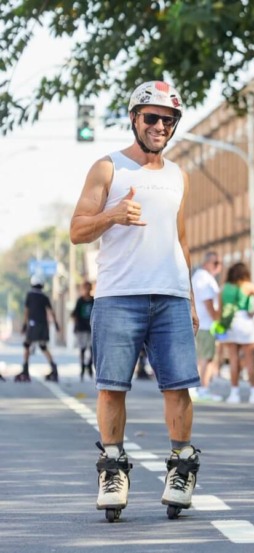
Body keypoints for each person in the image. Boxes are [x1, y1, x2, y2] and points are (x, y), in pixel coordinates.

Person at [68, 80, 205, 521]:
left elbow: (181, 240)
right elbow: (76, 230)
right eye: (152, 118)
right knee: (112, 387)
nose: (160, 126)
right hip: (117, 297)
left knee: (178, 386)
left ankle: (182, 468)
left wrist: (191, 298)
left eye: (169, 120)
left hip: (169, 296)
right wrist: (111, 215)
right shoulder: (108, 168)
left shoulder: (178, 175)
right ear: (134, 118)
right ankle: (112, 469)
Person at [216, 261, 254, 404]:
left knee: (233, 359)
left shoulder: (223, 288)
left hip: (229, 323)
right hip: (244, 321)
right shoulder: (247, 286)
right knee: (250, 360)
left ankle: (234, 393)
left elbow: (219, 309)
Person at [16, 275, 61, 383]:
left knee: (27, 345)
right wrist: (56, 324)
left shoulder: (30, 295)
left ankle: (25, 369)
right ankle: (54, 368)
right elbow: (51, 311)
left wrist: (24, 324)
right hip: (43, 325)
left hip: (33, 324)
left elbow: (26, 310)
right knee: (43, 346)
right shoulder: (44, 297)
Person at [191, 251, 222, 400]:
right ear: (206, 263)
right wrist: (217, 318)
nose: (218, 267)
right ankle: (203, 387)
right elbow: (208, 301)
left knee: (201, 356)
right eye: (215, 263)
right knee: (207, 358)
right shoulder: (205, 279)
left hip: (200, 322)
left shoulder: (198, 277)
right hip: (206, 323)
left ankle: (196, 388)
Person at [72, 281, 96, 381]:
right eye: (84, 288)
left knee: (92, 349)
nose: (86, 290)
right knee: (82, 349)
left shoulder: (93, 301)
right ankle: (82, 367)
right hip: (81, 328)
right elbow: (74, 314)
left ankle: (89, 365)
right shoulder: (80, 301)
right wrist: (75, 326)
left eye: (88, 288)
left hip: (91, 328)